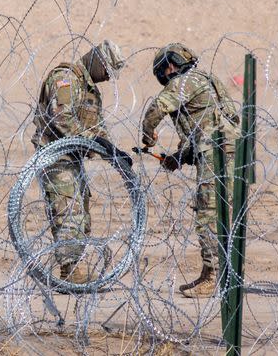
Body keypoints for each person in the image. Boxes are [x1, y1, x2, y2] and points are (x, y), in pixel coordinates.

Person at [141, 43, 240, 298]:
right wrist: (178, 157)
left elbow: (156, 110)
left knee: (208, 213)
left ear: (170, 66)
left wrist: (147, 135)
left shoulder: (182, 83)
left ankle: (212, 277)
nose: (163, 77)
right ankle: (214, 274)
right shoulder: (209, 80)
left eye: (162, 72)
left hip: (215, 153)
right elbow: (205, 126)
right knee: (220, 212)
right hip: (229, 151)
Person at [31, 40, 126, 284]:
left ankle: (74, 268)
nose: (106, 78)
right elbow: (62, 118)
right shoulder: (66, 79)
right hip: (56, 157)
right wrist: (91, 140)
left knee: (81, 215)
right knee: (67, 212)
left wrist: (112, 151)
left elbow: (97, 127)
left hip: (72, 159)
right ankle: (69, 271)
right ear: (96, 62)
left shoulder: (89, 90)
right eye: (106, 71)